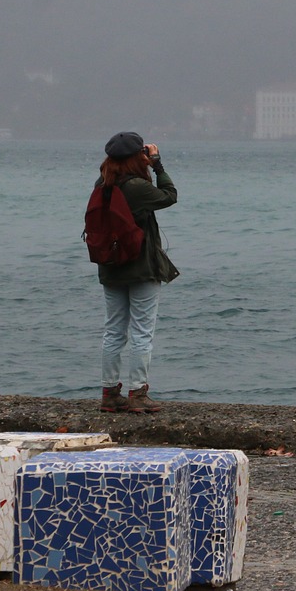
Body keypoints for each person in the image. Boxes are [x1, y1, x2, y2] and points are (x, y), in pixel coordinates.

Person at [94, 131, 179, 414]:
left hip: (110, 266)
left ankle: (109, 392)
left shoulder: (102, 184)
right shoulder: (137, 187)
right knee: (142, 332)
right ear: (136, 157)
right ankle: (138, 393)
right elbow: (169, 196)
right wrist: (157, 164)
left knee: (114, 330)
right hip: (141, 268)